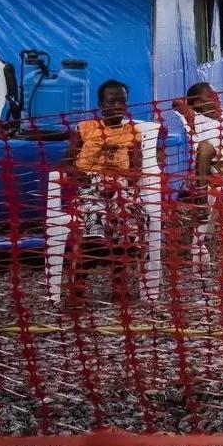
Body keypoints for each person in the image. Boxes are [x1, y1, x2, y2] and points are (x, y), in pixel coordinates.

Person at [60, 80, 147, 309]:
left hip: (118, 185)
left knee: (130, 219)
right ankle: (77, 289)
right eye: (112, 101)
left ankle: (119, 283)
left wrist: (122, 182)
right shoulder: (84, 128)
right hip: (89, 183)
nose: (118, 106)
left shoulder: (132, 132)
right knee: (95, 219)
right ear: (101, 105)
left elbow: (136, 169)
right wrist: (83, 176)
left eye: (123, 101)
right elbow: (67, 164)